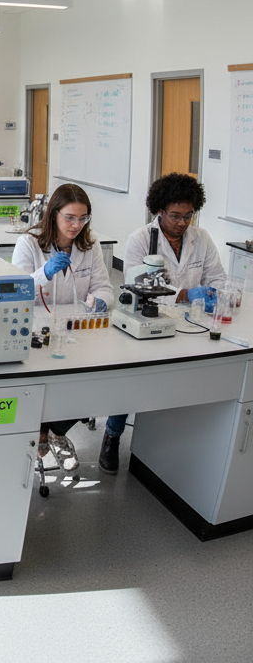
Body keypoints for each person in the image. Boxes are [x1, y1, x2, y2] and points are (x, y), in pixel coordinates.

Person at [99, 172, 227, 475]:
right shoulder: (141, 240)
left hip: (192, 324)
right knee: (133, 376)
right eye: (175, 216)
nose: (183, 223)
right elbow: (138, 286)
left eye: (188, 215)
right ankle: (113, 435)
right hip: (148, 319)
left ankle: (172, 442)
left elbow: (217, 277)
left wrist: (211, 293)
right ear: (159, 211)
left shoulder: (202, 238)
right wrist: (186, 294)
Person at [12, 183, 112, 473]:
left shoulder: (89, 246)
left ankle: (54, 431)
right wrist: (44, 272)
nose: (76, 225)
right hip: (37, 333)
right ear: (54, 214)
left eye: (83, 218)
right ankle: (43, 432)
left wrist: (102, 303)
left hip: (78, 331)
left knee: (90, 380)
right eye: (69, 217)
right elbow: (15, 293)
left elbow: (105, 287)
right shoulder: (29, 244)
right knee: (44, 384)